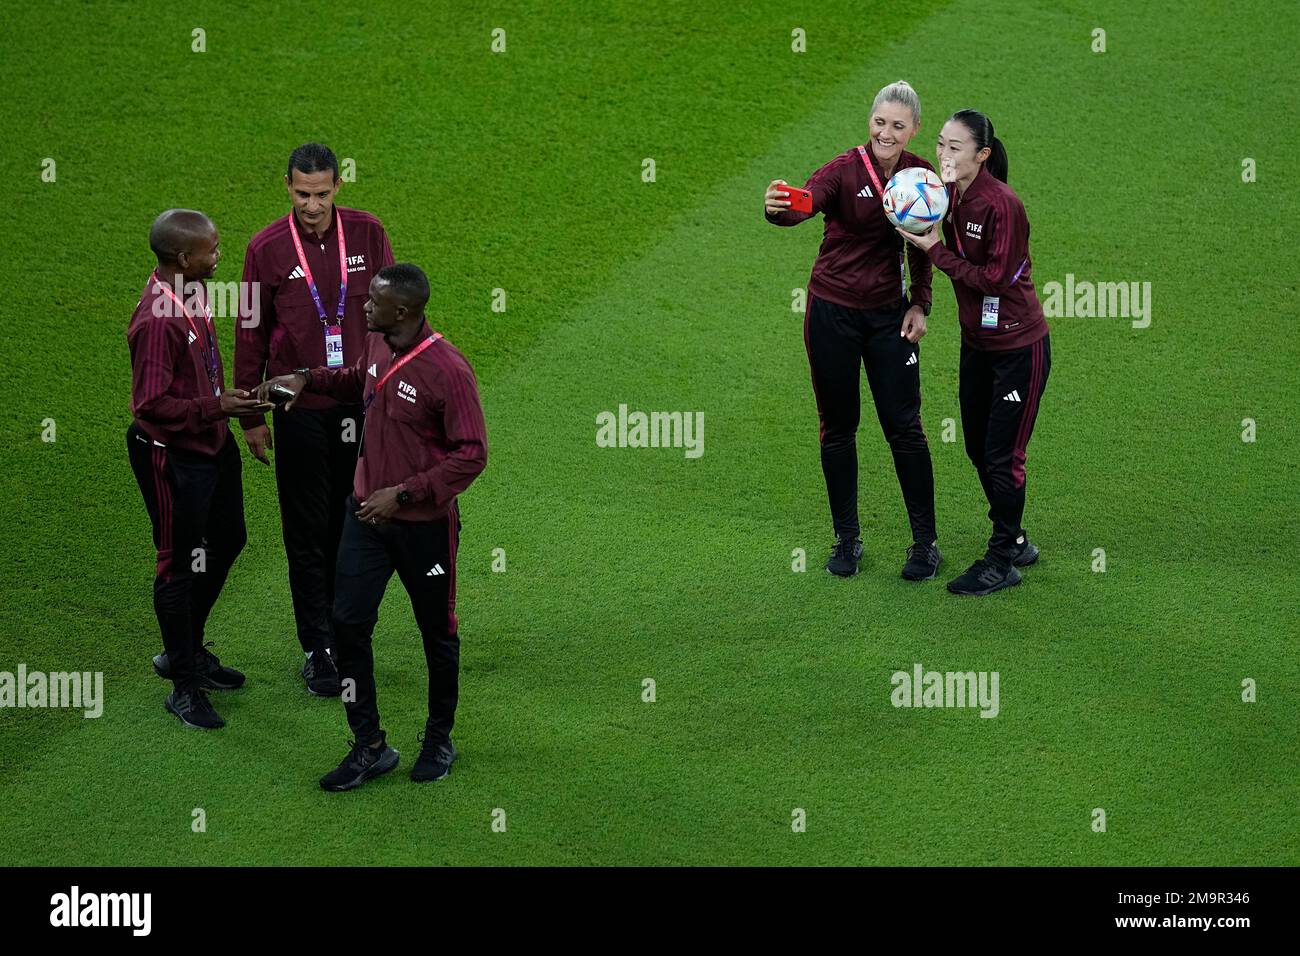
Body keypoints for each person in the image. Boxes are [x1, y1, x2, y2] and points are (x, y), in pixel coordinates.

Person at [257, 264, 488, 790]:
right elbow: (355, 377)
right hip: (364, 518)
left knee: (438, 634)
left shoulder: (449, 371)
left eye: (373, 300)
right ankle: (370, 745)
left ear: (402, 311)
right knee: (347, 626)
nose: (362, 306)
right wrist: (307, 378)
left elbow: (472, 455)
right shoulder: (379, 344)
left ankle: (439, 737)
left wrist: (405, 493)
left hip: (423, 528)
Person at [764, 80, 942, 581]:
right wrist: (779, 206)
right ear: (870, 123)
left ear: (914, 129)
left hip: (890, 318)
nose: (887, 132)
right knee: (838, 426)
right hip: (832, 315)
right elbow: (805, 202)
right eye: (880, 122)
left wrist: (920, 306)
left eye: (898, 125)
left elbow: (923, 247)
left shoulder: (922, 176)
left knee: (904, 428)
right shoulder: (843, 171)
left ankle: (925, 544)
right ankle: (847, 539)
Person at [236, 143, 395, 696]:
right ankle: (318, 647)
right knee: (306, 530)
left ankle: (349, 631)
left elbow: (392, 313)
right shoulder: (266, 248)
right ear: (287, 187)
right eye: (303, 194)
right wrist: (252, 418)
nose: (312, 204)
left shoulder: (369, 234)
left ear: (338, 187)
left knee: (353, 522)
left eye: (322, 193)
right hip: (297, 410)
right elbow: (250, 331)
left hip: (359, 403)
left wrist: (394, 388)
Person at [127, 209, 272, 728]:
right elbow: (148, 405)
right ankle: (183, 686)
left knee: (229, 537)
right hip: (172, 455)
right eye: (211, 250)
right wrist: (217, 407)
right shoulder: (155, 321)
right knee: (177, 564)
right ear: (182, 258)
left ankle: (183, 650)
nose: (219, 256)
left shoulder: (191, 289)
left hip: (212, 442)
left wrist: (223, 406)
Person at [898, 109, 1051, 596]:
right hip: (978, 347)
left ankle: (1003, 557)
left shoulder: (1002, 205)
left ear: (982, 155)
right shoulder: (946, 198)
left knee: (1002, 456)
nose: (943, 154)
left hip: (1018, 350)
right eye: (940, 144)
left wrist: (934, 250)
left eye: (954, 147)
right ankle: (1017, 537)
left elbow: (993, 279)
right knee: (977, 448)